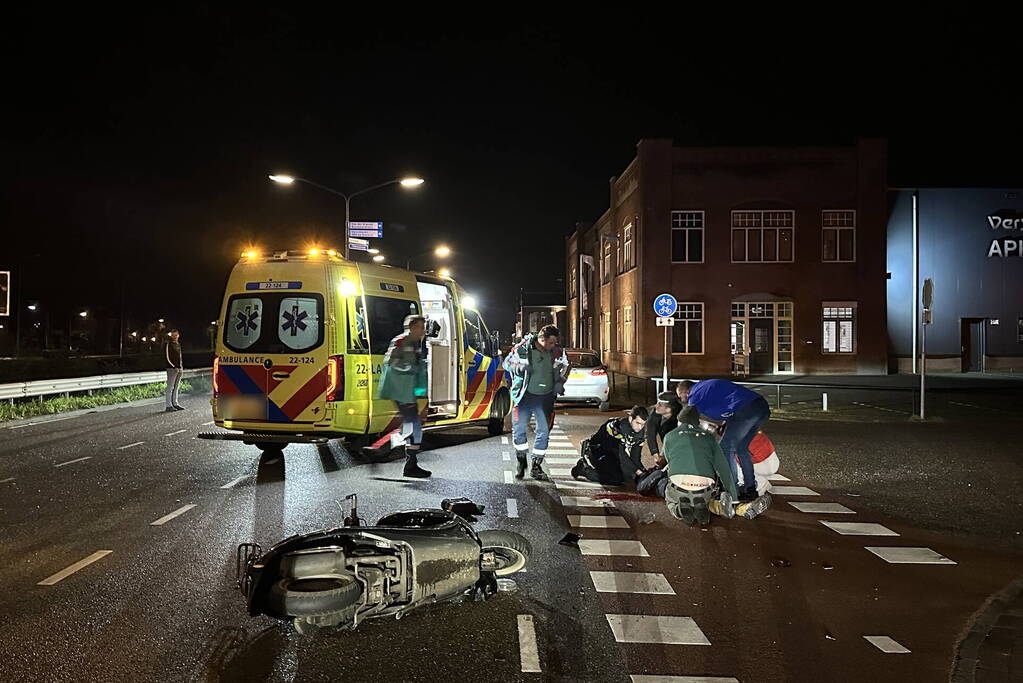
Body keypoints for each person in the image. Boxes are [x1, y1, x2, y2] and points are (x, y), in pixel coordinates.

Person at [676, 378, 771, 503]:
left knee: (725, 448)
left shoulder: (695, 394)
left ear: (685, 391)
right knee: (741, 448)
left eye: (680, 396)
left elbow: (685, 418)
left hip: (746, 410)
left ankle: (732, 491)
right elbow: (728, 402)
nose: (682, 399)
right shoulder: (704, 387)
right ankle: (750, 489)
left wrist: (679, 437)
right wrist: (725, 424)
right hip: (760, 407)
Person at [503, 325, 569, 481]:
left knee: (544, 432)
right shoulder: (522, 349)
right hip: (524, 396)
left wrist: (560, 381)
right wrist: (519, 367)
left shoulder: (557, 352)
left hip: (545, 398)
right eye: (551, 342)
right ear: (541, 339)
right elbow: (506, 363)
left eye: (555, 342)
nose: (554, 345)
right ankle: (521, 462)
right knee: (519, 431)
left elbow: (566, 366)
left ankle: (536, 466)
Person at [660, 406, 738, 525]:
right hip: (703, 488)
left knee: (669, 496)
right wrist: (733, 495)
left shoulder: (669, 436)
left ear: (679, 421)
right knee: (704, 494)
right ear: (697, 423)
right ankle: (701, 505)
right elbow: (723, 468)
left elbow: (668, 460)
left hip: (679, 486)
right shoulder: (709, 438)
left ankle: (678, 510)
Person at [378, 315, 431, 478]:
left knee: (411, 426)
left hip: (407, 391)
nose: (423, 331)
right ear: (413, 327)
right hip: (401, 390)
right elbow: (390, 361)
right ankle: (380, 450)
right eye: (421, 327)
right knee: (412, 426)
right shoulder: (402, 341)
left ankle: (408, 463)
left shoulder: (414, 343)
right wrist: (410, 368)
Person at [570, 406, 648, 486]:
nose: (640, 427)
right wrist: (637, 471)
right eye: (638, 423)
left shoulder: (640, 432)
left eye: (643, 424)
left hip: (611, 454)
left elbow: (635, 456)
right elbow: (621, 455)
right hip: (598, 451)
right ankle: (584, 469)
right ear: (631, 418)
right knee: (616, 479)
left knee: (628, 476)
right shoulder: (617, 427)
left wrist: (644, 472)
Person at [646, 391, 684, 466]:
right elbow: (650, 434)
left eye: (660, 405)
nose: (656, 406)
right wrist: (655, 454)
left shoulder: (681, 417)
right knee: (661, 462)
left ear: (668, 409)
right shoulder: (655, 413)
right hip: (666, 438)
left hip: (680, 440)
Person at [164, 330, 184, 412]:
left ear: (178, 335)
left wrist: (181, 367)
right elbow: (167, 357)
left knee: (176, 387)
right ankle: (168, 405)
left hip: (179, 368)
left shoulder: (178, 344)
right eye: (173, 335)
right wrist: (174, 366)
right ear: (171, 336)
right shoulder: (169, 344)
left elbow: (180, 357)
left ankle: (175, 403)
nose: (175, 336)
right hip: (171, 369)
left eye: (176, 335)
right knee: (170, 387)